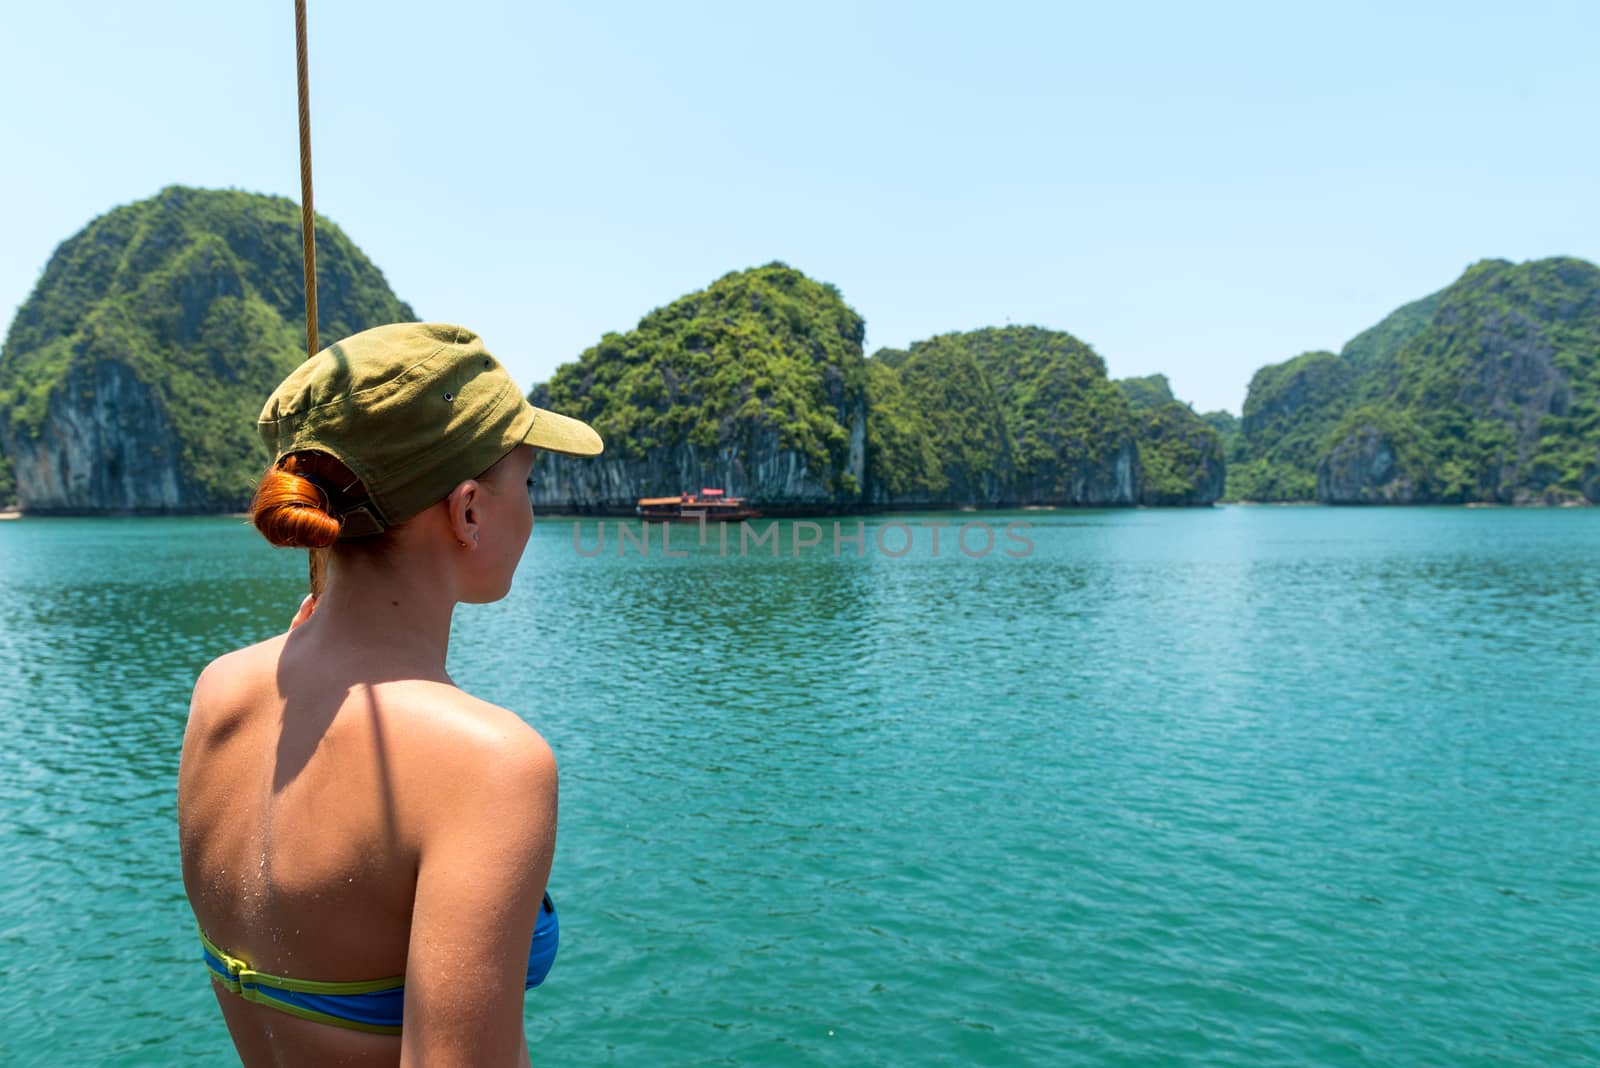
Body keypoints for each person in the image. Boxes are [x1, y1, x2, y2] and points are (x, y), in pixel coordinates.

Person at [177, 322, 602, 1066]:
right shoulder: (490, 767)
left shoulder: (224, 691)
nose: (533, 511)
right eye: (528, 482)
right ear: (468, 510)